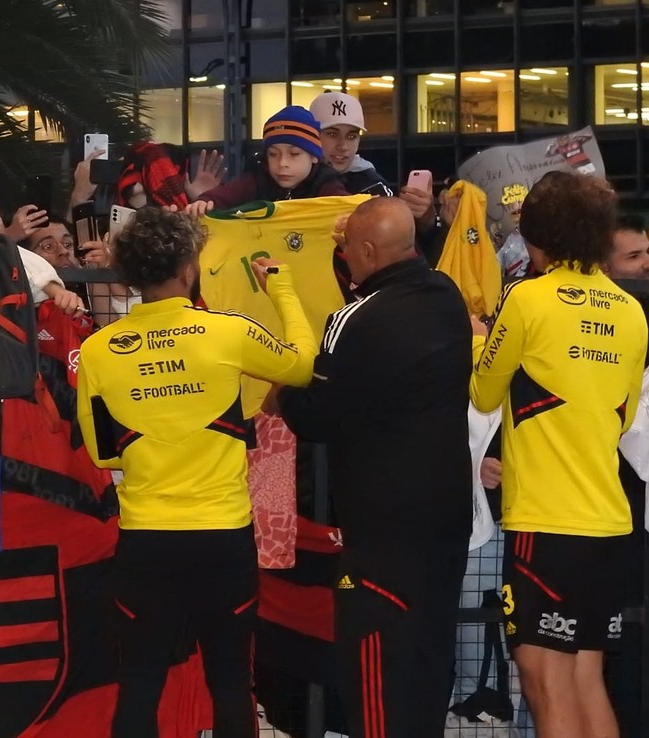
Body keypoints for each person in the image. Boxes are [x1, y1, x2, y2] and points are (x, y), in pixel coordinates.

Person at [75, 207, 317, 738]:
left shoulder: (96, 351)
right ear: (188, 269)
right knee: (230, 682)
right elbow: (302, 364)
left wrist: (157, 434)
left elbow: (102, 454)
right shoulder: (226, 332)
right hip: (221, 539)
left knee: (139, 681)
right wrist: (282, 288)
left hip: (145, 540)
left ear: (131, 274)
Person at [269, 196, 473, 737]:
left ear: (363, 249)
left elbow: (317, 415)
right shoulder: (447, 298)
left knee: (377, 669)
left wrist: (282, 392)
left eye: (346, 249)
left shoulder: (352, 319)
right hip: (447, 519)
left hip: (383, 528)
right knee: (427, 662)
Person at [469, 170, 648, 738]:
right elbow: (627, 416)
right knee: (585, 676)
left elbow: (482, 391)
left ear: (536, 235)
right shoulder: (629, 309)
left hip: (545, 524)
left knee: (545, 680)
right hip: (609, 521)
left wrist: (480, 339)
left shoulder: (526, 297)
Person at [185, 105, 348, 217]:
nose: (282, 163)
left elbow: (348, 207)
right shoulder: (258, 178)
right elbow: (227, 194)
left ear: (314, 157)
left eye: (294, 154)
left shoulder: (326, 183)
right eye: (273, 154)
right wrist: (204, 201)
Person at [308, 91, 394, 196]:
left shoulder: (372, 186)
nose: (343, 146)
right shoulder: (291, 179)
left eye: (351, 136)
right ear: (312, 136)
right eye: (332, 134)